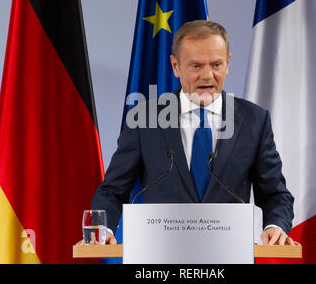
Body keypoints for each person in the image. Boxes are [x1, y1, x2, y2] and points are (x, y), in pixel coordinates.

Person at [91, 20, 296, 246]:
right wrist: (103, 227)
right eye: (196, 66)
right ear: (176, 66)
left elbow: (276, 195)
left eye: (216, 65)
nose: (207, 75)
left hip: (229, 255)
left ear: (228, 63)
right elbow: (112, 190)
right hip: (161, 257)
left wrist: (275, 226)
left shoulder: (254, 121)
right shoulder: (145, 119)